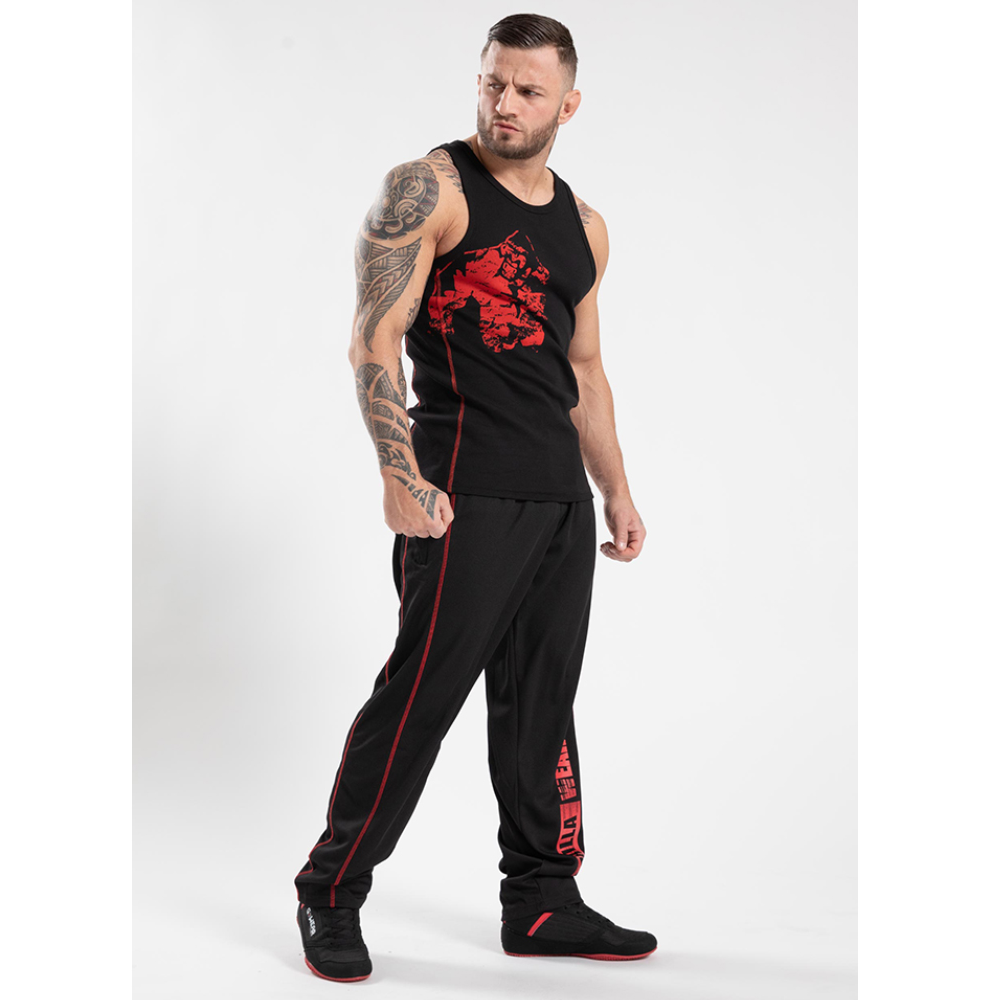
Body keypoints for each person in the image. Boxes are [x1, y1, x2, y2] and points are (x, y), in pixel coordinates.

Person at [294, 12, 653, 982]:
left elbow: (583, 368)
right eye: (493, 82)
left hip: (558, 502)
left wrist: (615, 489)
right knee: (419, 700)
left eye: (528, 90)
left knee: (542, 706)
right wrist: (398, 474)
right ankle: (331, 889)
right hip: (460, 494)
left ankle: (542, 901)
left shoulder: (584, 226)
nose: (505, 103)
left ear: (567, 106)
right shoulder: (430, 190)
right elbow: (374, 339)